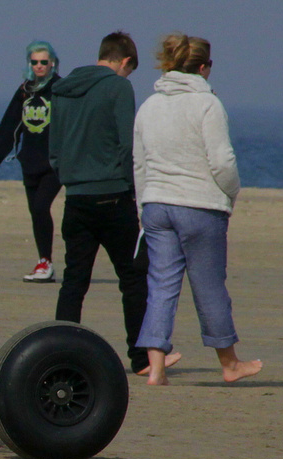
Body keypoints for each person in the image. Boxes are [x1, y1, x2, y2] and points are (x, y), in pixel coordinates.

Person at [131, 34, 262, 385]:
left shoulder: (149, 105)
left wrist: (143, 205)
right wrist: (232, 193)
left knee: (160, 286)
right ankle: (230, 364)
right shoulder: (207, 104)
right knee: (209, 287)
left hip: (157, 205)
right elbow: (221, 161)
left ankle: (156, 368)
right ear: (203, 68)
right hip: (199, 205)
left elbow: (139, 164)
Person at [49, 31, 165, 375]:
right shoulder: (118, 87)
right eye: (130, 70)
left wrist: (71, 174)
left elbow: (54, 149)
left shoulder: (62, 89)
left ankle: (60, 351)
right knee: (133, 277)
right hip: (113, 196)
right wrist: (133, 189)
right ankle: (141, 357)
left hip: (76, 197)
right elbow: (128, 144)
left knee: (74, 280)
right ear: (124, 61)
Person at [0, 41, 62, 282]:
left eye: (43, 62)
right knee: (35, 212)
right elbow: (7, 128)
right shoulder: (25, 91)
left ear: (52, 63)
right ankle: (44, 262)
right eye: (34, 62)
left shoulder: (61, 89)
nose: (39, 66)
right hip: (30, 162)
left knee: (40, 207)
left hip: (55, 164)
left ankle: (45, 263)